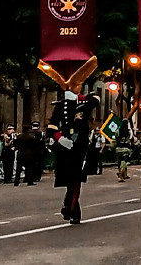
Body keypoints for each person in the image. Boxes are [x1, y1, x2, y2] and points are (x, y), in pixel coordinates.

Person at [46, 91, 100, 224]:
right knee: (67, 178)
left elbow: (96, 100)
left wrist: (78, 97)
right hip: (65, 143)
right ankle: (71, 207)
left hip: (79, 144)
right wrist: (60, 138)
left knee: (76, 178)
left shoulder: (83, 103)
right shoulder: (60, 106)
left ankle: (71, 208)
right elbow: (52, 127)